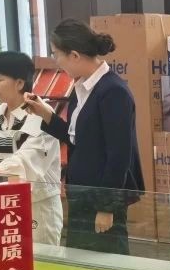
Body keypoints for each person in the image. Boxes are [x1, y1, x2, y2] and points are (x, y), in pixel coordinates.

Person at [23, 19, 143, 256]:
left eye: (57, 55)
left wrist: (106, 207)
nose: (56, 61)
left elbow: (119, 156)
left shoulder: (113, 92)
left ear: (74, 55)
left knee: (107, 262)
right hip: (82, 193)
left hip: (101, 196)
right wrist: (45, 113)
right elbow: (78, 139)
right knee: (82, 262)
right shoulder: (82, 89)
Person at [0, 52, 63, 244]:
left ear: (19, 83)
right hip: (4, 201)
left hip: (36, 206)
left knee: (40, 259)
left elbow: (28, 160)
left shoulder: (42, 114)